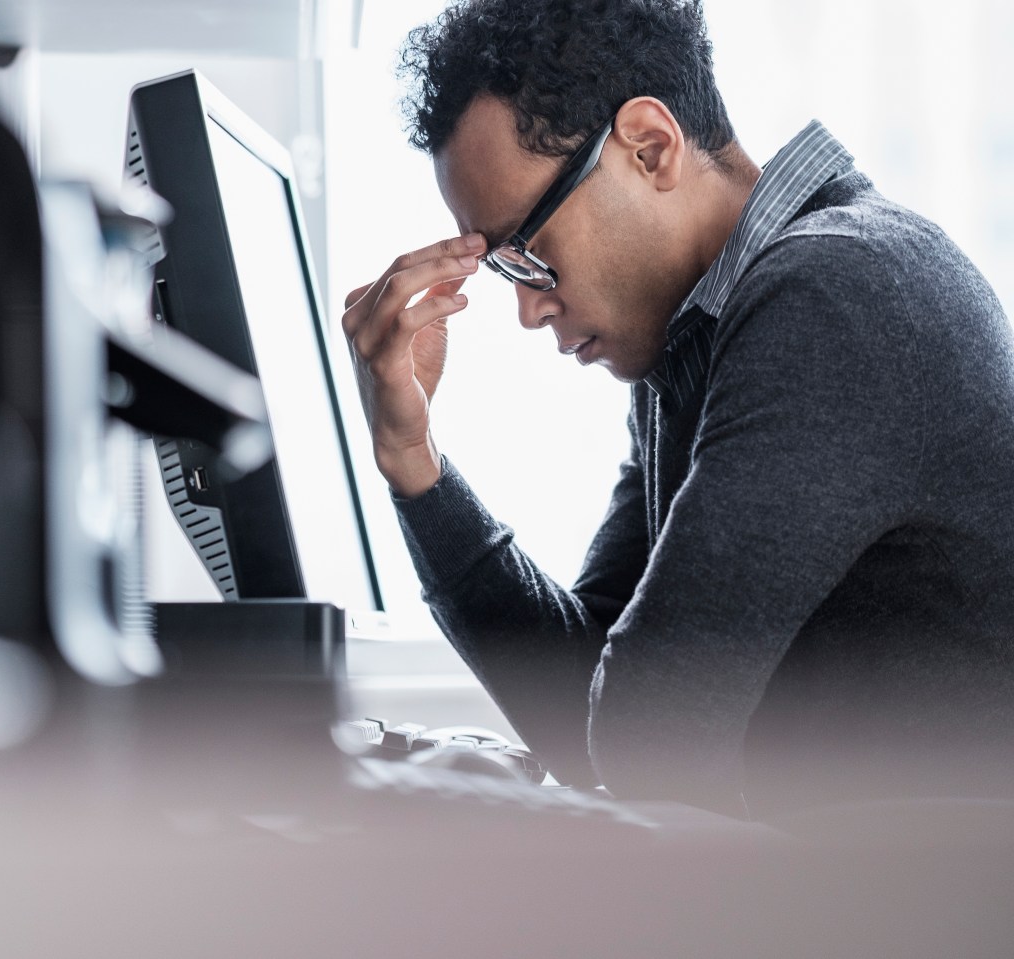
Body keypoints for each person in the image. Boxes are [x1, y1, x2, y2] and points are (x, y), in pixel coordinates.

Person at [341, 0, 1014, 818]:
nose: (527, 310)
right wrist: (415, 462)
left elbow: (643, 740)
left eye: (527, 252)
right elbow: (586, 711)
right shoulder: (699, 335)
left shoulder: (835, 295)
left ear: (650, 146)